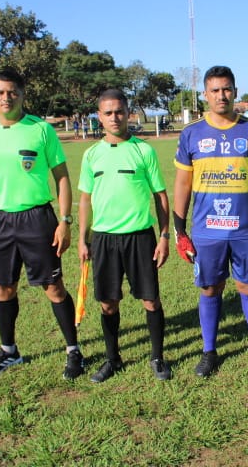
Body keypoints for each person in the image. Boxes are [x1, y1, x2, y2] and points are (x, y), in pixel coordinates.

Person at [0, 68, 84, 380]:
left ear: (22, 95)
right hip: (0, 220)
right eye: (1, 92)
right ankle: (9, 351)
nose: (7, 97)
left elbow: (61, 177)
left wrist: (64, 221)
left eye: (13, 91)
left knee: (53, 287)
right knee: (3, 288)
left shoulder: (40, 130)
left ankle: (73, 351)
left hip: (37, 218)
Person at [173, 65, 248, 377]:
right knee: (210, 288)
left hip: (246, 228)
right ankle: (209, 351)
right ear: (205, 95)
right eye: (215, 90)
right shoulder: (191, 133)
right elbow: (181, 184)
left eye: (227, 89)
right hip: (207, 230)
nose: (222, 95)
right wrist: (179, 230)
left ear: (235, 91)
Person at [77, 89, 172, 383]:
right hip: (104, 238)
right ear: (99, 117)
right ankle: (112, 358)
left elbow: (160, 195)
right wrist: (82, 238)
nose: (114, 117)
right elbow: (84, 199)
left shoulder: (144, 151)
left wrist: (165, 235)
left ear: (128, 112)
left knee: (150, 301)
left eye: (119, 111)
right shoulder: (91, 154)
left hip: (140, 238)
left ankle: (157, 357)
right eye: (108, 113)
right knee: (107, 303)